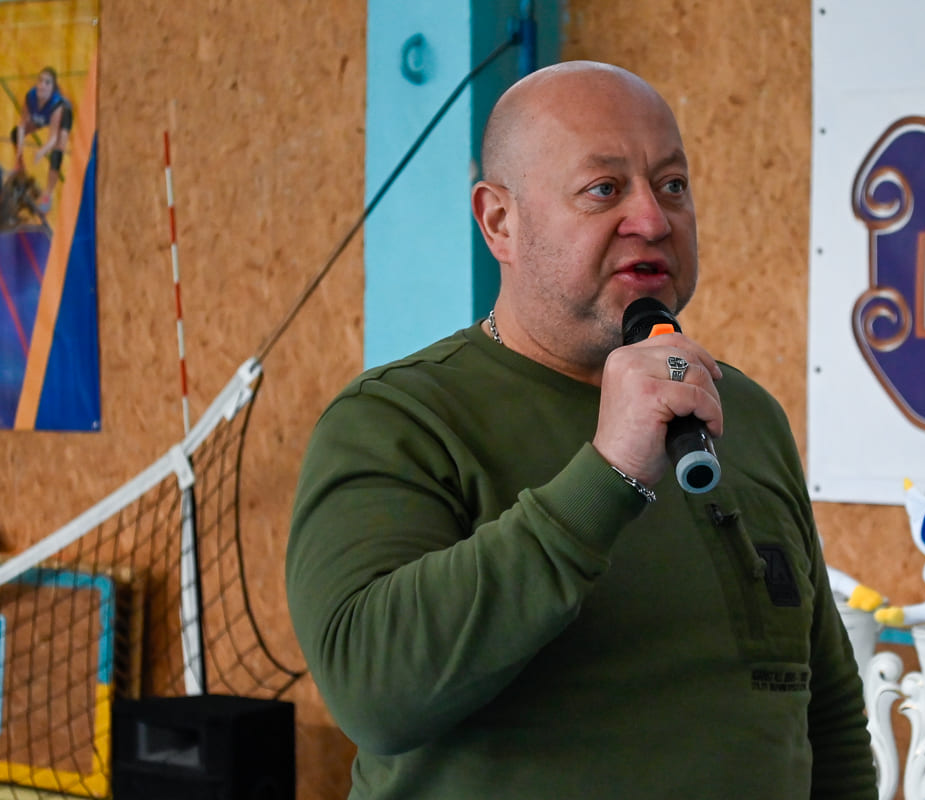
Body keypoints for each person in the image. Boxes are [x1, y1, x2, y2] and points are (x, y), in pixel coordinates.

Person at [286, 60, 875, 799]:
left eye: (672, 185)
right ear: (499, 221)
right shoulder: (399, 420)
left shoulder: (744, 413)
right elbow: (371, 691)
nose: (653, 220)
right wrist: (609, 472)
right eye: (604, 189)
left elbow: (824, 712)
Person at [10, 67, 73, 213]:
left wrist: (41, 152)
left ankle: (48, 195)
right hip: (43, 115)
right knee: (15, 134)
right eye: (40, 81)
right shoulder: (30, 97)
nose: (42, 85)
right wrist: (19, 152)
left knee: (57, 152)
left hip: (61, 117)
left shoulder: (57, 105)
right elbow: (21, 125)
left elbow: (53, 138)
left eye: (47, 82)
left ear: (53, 87)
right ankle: (20, 168)